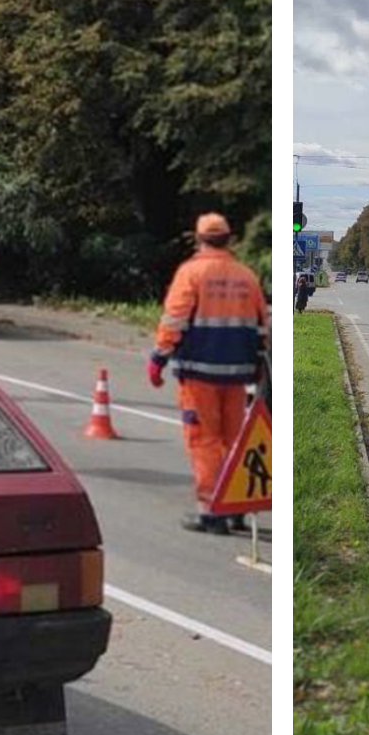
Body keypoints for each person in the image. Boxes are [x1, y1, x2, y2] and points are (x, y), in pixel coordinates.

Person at [149, 213, 271, 534]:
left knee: (203, 440)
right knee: (234, 440)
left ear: (199, 239)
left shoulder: (192, 273)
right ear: (230, 239)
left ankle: (210, 511)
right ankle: (235, 509)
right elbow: (264, 324)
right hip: (239, 374)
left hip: (199, 373)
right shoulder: (246, 276)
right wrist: (261, 365)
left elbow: (174, 319)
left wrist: (158, 357)